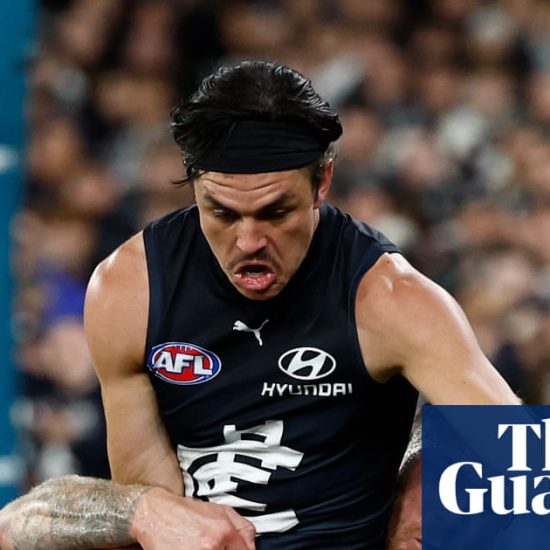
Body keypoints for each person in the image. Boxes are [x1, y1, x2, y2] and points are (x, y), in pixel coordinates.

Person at [1, 60, 519, 550]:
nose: (248, 241)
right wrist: (145, 512)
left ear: (322, 182)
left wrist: (421, 477)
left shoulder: (388, 299)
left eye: (275, 212)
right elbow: (150, 501)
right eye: (222, 213)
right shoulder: (130, 291)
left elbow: (520, 455)